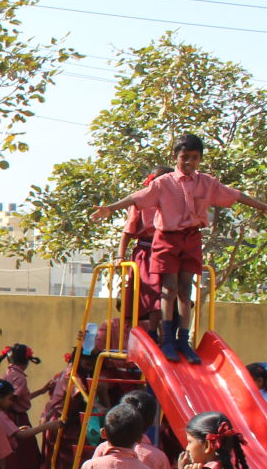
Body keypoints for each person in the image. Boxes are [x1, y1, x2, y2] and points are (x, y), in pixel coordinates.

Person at [92, 133, 267, 364]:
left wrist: (262, 206)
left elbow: (235, 195)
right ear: (176, 157)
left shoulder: (207, 183)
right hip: (167, 238)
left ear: (200, 159)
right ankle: (165, 340)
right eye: (184, 157)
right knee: (169, 288)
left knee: (186, 289)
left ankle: (182, 340)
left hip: (192, 238)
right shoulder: (163, 183)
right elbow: (136, 197)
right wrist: (111, 208)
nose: (189, 163)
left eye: (194, 158)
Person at [119, 165, 175, 338]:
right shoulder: (141, 201)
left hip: (169, 250)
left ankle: (168, 334)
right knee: (153, 292)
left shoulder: (175, 201)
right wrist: (120, 256)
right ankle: (153, 332)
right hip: (147, 252)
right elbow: (128, 230)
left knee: (173, 291)